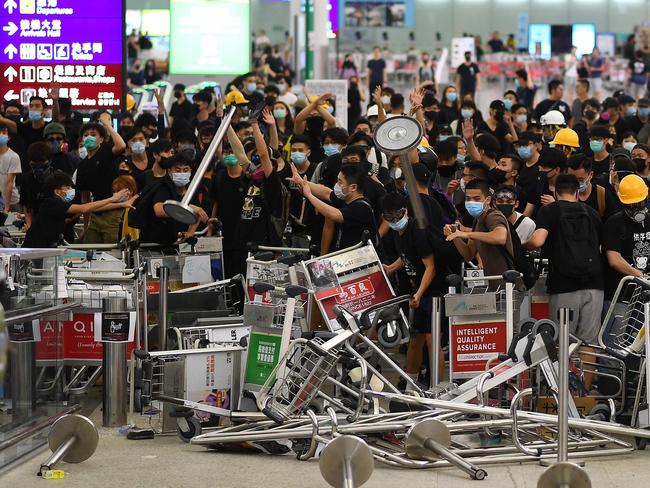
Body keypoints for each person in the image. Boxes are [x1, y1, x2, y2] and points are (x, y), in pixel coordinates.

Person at [524, 173, 604, 349]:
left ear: (555, 193)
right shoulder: (592, 212)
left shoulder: (549, 211)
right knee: (589, 343)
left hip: (563, 285)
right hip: (594, 285)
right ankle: (585, 377)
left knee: (562, 342)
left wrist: (521, 245)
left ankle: (565, 377)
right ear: (577, 192)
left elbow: (538, 241)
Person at [381, 192, 445, 387]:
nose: (394, 221)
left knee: (432, 339)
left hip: (435, 291)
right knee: (415, 338)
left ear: (405, 211)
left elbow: (431, 267)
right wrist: (392, 268)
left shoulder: (417, 230)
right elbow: (408, 255)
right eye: (388, 217)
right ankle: (411, 383)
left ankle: (437, 387)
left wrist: (419, 293)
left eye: (397, 216)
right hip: (419, 291)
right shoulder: (398, 232)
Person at [22, 172, 131, 248]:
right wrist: (113, 198)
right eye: (67, 188)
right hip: (34, 249)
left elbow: (92, 208)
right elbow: (84, 208)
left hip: (43, 249)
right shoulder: (51, 203)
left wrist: (121, 204)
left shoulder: (59, 205)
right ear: (57, 191)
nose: (71, 190)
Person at [287, 162, 377, 251]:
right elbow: (325, 192)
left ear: (353, 187)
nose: (336, 185)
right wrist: (302, 182)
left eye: (340, 182)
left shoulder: (362, 207)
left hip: (361, 260)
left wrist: (309, 195)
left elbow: (334, 214)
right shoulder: (346, 199)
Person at [444, 179, 514, 279]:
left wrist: (467, 234)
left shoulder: (493, 216)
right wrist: (454, 235)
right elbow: (469, 254)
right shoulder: (477, 220)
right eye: (468, 199)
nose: (471, 202)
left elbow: (500, 237)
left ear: (488, 200)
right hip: (493, 284)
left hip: (508, 285)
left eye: (477, 199)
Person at [75, 113, 127, 244]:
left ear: (101, 140)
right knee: (92, 250)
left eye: (93, 135)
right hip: (96, 213)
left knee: (112, 250)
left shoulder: (105, 151)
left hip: (114, 211)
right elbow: (86, 199)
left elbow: (121, 145)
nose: (89, 138)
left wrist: (107, 125)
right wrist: (86, 226)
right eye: (86, 135)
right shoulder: (82, 166)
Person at [140, 154, 207, 246]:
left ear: (191, 171)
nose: (182, 173)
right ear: (169, 171)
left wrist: (190, 233)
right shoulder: (164, 187)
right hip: (153, 243)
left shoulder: (191, 190)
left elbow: (196, 214)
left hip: (175, 243)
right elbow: (159, 210)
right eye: (177, 170)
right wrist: (186, 207)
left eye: (185, 170)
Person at [603, 175, 650, 303]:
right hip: (620, 295)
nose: (637, 207)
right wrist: (641, 276)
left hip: (646, 296)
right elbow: (614, 259)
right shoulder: (614, 223)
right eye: (632, 204)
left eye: (640, 202)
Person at [566, 153, 619, 220]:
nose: (575, 183)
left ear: (591, 175)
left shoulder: (602, 195)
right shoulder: (562, 194)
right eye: (571, 179)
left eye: (580, 179)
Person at [524, 147, 566, 219]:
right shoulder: (538, 184)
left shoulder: (568, 187)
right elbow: (528, 212)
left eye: (544, 167)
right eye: (539, 166)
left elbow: (569, 214)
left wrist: (554, 205)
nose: (540, 170)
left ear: (557, 169)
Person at [0, 122, 21, 212]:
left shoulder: (13, 156)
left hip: (12, 202)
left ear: (9, 137)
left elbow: (9, 183)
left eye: (4, 133)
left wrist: (7, 207)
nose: (1, 135)